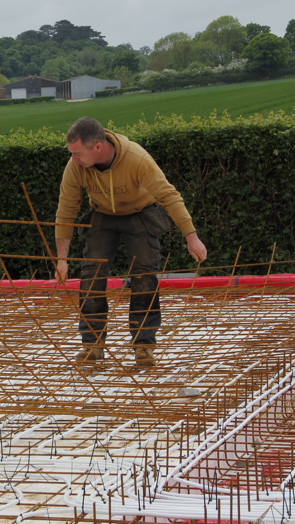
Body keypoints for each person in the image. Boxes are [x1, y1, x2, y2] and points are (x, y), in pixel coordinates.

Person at [54, 116, 207, 367]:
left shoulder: (137, 159)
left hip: (141, 212)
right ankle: (92, 345)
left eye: (78, 153)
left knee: (144, 275)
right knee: (91, 273)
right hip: (102, 213)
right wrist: (61, 260)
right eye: (71, 153)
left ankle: (143, 346)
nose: (74, 159)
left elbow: (169, 196)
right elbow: (66, 210)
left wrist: (192, 237)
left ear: (98, 147)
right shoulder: (76, 167)